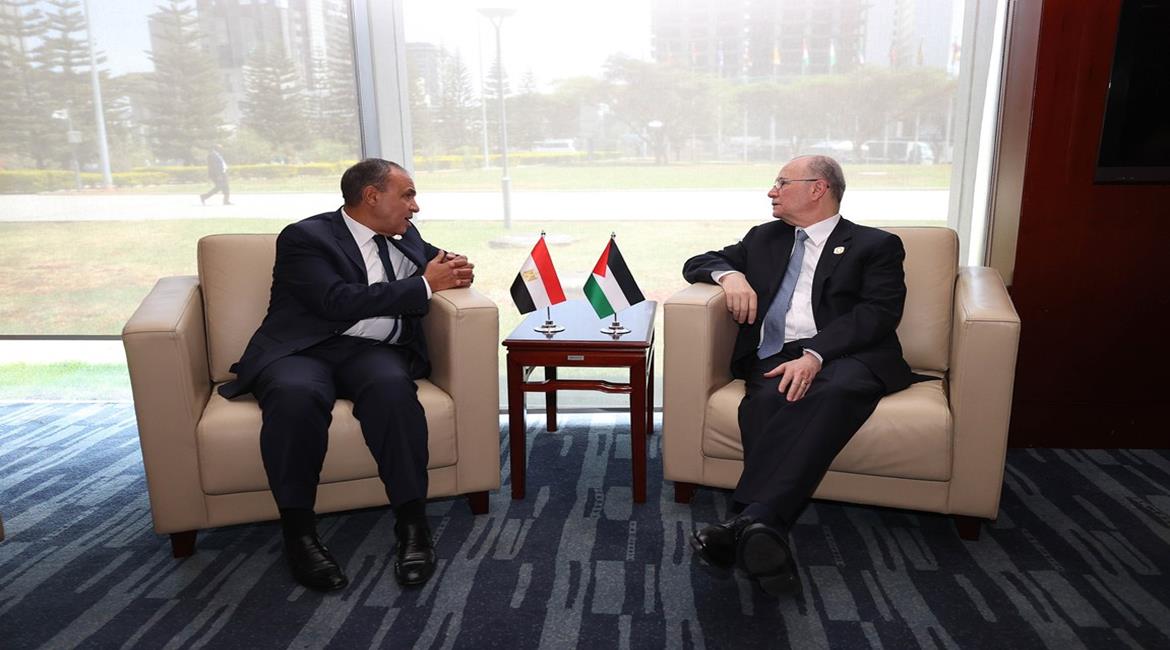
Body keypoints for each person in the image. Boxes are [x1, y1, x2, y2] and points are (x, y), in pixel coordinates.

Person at [218, 158, 475, 592]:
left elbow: (437, 265)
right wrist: (424, 285)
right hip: (303, 349)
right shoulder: (305, 237)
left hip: (371, 352)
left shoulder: (405, 234)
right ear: (372, 196)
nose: (415, 207)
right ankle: (299, 533)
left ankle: (413, 524)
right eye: (407, 195)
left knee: (393, 391)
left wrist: (456, 269)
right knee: (295, 397)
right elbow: (335, 301)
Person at [682, 155, 916, 597]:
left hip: (849, 353)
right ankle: (761, 527)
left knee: (836, 388)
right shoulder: (764, 238)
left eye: (781, 182)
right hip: (775, 354)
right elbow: (697, 261)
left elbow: (878, 313)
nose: (771, 191)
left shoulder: (876, 245)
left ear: (817, 189)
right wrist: (730, 275)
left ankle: (744, 522)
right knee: (769, 399)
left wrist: (816, 354)